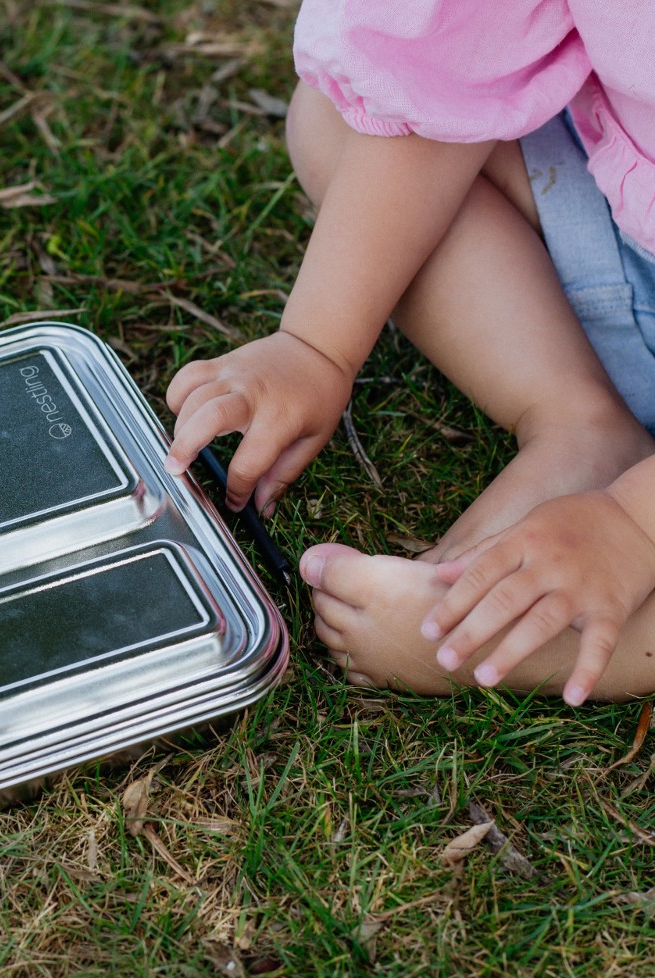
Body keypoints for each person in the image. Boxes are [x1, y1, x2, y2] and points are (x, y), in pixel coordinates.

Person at [163, 2, 655, 705]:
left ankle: (538, 646)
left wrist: (633, 527)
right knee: (337, 121)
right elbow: (453, 60)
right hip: (621, 221)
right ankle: (581, 420)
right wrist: (319, 344)